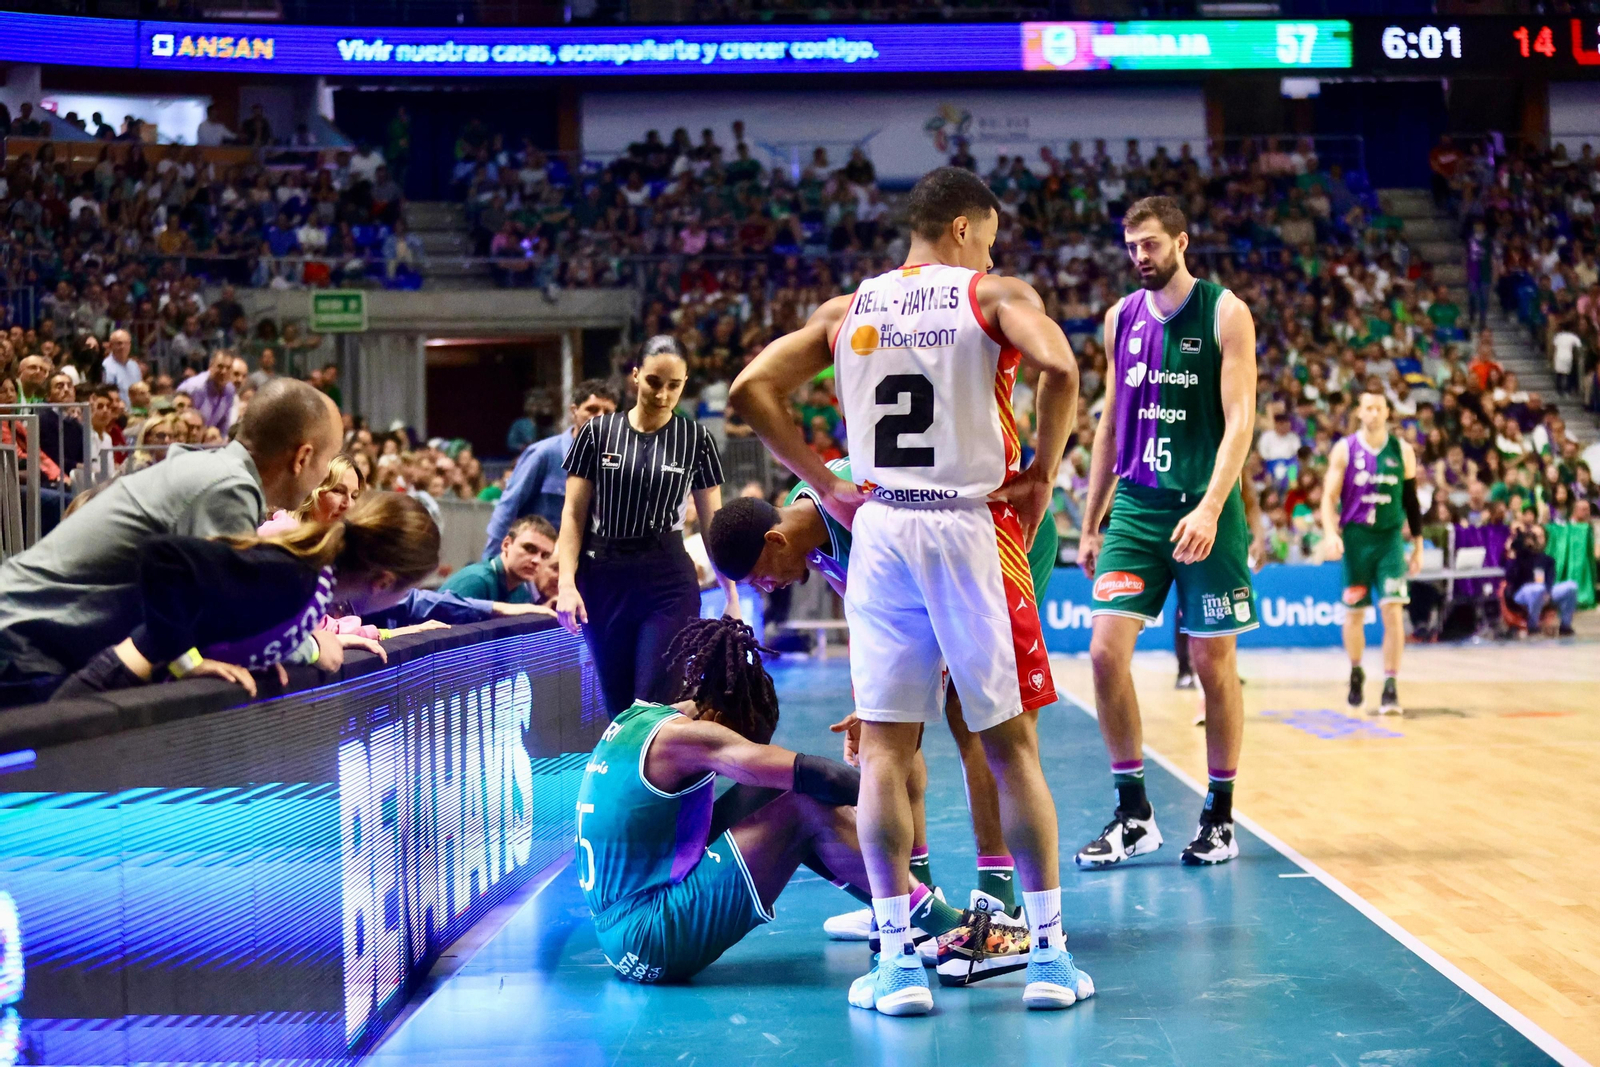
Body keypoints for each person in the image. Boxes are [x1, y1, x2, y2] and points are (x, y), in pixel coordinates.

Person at [729, 166, 1089, 1015]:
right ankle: (1048, 957)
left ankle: (896, 964)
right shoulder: (992, 293)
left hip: (883, 527)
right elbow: (1061, 367)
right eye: (990, 234)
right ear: (965, 228)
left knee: (886, 753)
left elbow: (751, 390)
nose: (992, 249)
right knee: (1010, 747)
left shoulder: (848, 307)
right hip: (967, 526)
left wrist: (825, 482)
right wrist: (1041, 471)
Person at [706, 453, 1056, 985]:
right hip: (930, 564)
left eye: (759, 579)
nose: (764, 590)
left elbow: (936, 591)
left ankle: (999, 898)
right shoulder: (810, 532)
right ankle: (913, 893)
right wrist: (876, 700)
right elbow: (873, 615)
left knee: (977, 720)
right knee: (887, 738)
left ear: (775, 542)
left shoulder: (857, 504)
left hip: (996, 538)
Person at [578, 617, 1011, 1013]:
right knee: (804, 804)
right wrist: (885, 806)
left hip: (626, 935)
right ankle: (955, 931)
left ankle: (900, 916)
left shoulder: (641, 719)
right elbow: (818, 774)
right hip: (653, 937)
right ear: (714, 717)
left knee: (781, 794)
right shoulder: (692, 738)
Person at [1074, 195, 1258, 871]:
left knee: (1213, 663)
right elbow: (1108, 424)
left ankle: (1219, 815)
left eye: (1150, 244)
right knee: (1102, 652)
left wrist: (1212, 507)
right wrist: (1090, 522)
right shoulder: (1119, 317)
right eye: (1130, 247)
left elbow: (1241, 421)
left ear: (1182, 240)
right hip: (1138, 507)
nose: (1140, 258)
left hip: (1204, 507)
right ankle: (1134, 813)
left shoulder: (1225, 313)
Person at [0, 379, 343, 706]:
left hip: (27, 634)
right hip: (23, 642)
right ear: (302, 457)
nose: (325, 476)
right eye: (328, 461)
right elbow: (222, 628)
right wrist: (311, 647)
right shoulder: (228, 489)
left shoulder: (212, 470)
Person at [53, 492, 437, 700]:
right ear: (384, 580)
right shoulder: (294, 575)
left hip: (139, 700)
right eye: (408, 588)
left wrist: (274, 653)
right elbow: (163, 557)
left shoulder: (312, 586)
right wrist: (186, 661)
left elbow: (233, 624)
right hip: (112, 688)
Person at [555, 337, 739, 714]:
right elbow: (573, 515)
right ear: (635, 376)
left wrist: (732, 595)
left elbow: (712, 525)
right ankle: (632, 774)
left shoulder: (697, 440)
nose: (663, 394)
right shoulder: (597, 433)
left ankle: (663, 770)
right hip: (602, 575)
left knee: (654, 703)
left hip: (667, 578)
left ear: (685, 382)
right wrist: (566, 584)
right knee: (618, 707)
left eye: (675, 385)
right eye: (655, 381)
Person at [1319, 390, 1424, 715]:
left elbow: (1411, 502)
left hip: (1390, 540)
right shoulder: (1345, 449)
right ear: (1360, 412)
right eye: (1368, 408)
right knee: (1354, 615)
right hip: (1356, 541)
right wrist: (1329, 533)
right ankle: (1356, 670)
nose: (1374, 413)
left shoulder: (1402, 450)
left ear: (1387, 412)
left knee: (1393, 611)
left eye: (1379, 408)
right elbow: (1327, 497)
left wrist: (1417, 546)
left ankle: (1391, 686)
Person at [483, 380, 618, 556]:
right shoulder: (544, 454)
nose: (600, 417)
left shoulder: (617, 462)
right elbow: (507, 509)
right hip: (541, 563)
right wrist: (492, 564)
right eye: (592, 410)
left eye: (607, 412)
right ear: (574, 411)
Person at [443, 515, 555, 605]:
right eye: (530, 549)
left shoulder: (522, 591)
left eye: (545, 556)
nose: (537, 560)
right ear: (506, 545)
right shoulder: (475, 581)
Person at [261, 452, 365, 533]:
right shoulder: (281, 533)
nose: (349, 504)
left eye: (354, 496)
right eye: (338, 491)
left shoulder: (342, 544)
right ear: (311, 490)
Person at [1504, 526, 1579, 637]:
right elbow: (1510, 578)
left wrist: (1547, 592)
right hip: (1521, 593)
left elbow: (1550, 579)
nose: (1535, 539)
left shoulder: (1547, 560)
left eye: (1539, 537)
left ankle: (1565, 626)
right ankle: (1533, 626)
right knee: (1538, 589)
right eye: (1533, 536)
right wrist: (1514, 553)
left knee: (1571, 586)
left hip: (1544, 592)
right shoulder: (1519, 557)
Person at [177, 351, 237, 433]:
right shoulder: (194, 387)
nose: (224, 372)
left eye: (228, 368)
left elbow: (224, 424)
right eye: (220, 366)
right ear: (211, 366)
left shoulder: (230, 390)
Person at [101, 329, 141, 405]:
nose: (123, 347)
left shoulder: (134, 366)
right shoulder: (105, 366)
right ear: (111, 345)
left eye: (126, 343)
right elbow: (108, 394)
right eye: (119, 343)